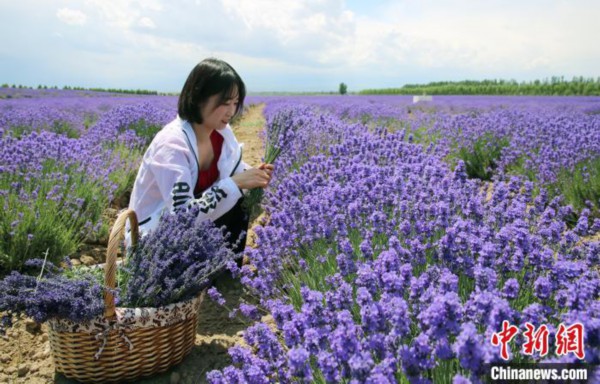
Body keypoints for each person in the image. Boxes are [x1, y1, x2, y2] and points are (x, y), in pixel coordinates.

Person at [127, 58, 274, 256]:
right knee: (234, 188)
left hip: (195, 230)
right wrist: (234, 183)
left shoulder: (220, 134)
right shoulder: (172, 144)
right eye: (225, 103)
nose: (232, 111)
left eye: (236, 103)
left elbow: (231, 169)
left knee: (241, 195)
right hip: (156, 237)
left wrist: (253, 175)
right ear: (198, 98)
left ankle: (226, 274)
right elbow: (181, 215)